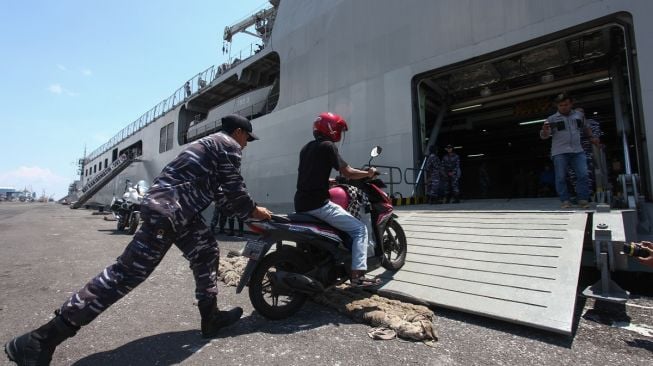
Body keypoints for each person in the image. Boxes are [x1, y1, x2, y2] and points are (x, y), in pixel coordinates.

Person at [4, 114, 272, 365]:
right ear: (238, 132)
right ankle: (39, 341)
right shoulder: (226, 144)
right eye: (247, 139)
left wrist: (247, 213)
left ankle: (210, 316)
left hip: (180, 213)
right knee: (126, 273)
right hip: (169, 212)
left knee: (206, 251)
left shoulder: (208, 146)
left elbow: (223, 195)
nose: (246, 145)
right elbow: (235, 188)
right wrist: (254, 210)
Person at [294, 112, 380, 287]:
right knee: (360, 230)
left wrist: (327, 180)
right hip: (319, 204)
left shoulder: (306, 148)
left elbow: (306, 175)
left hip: (301, 203)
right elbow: (347, 171)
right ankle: (357, 275)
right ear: (332, 129)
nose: (340, 133)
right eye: (339, 129)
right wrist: (368, 173)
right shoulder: (328, 146)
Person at [540, 93, 598, 209]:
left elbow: (586, 127)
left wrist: (592, 137)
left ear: (571, 104)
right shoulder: (551, 119)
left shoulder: (579, 115)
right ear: (557, 106)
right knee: (561, 177)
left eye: (566, 104)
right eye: (561, 105)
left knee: (583, 174)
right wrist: (545, 130)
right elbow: (544, 136)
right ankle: (565, 200)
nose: (564, 107)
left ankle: (582, 199)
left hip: (577, 150)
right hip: (559, 152)